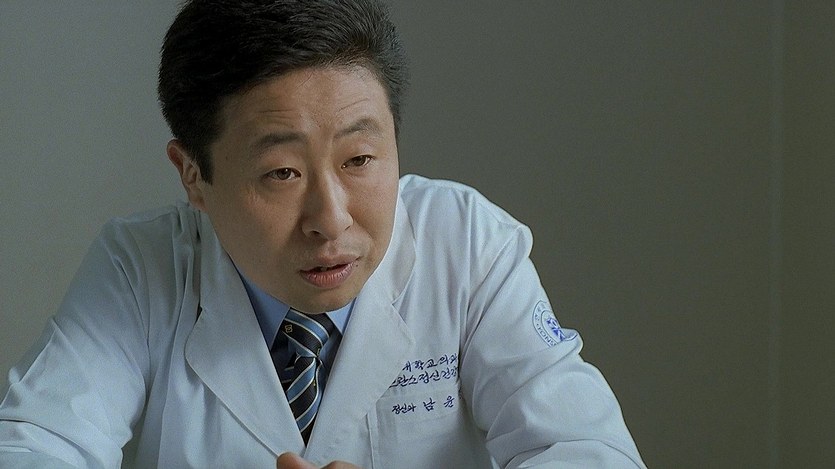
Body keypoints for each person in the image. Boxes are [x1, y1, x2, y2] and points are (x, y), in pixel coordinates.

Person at [0, 1, 645, 467]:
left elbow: (587, 450)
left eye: (359, 159)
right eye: (281, 172)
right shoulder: (141, 268)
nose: (331, 219)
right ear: (193, 174)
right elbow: (35, 446)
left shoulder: (468, 245)